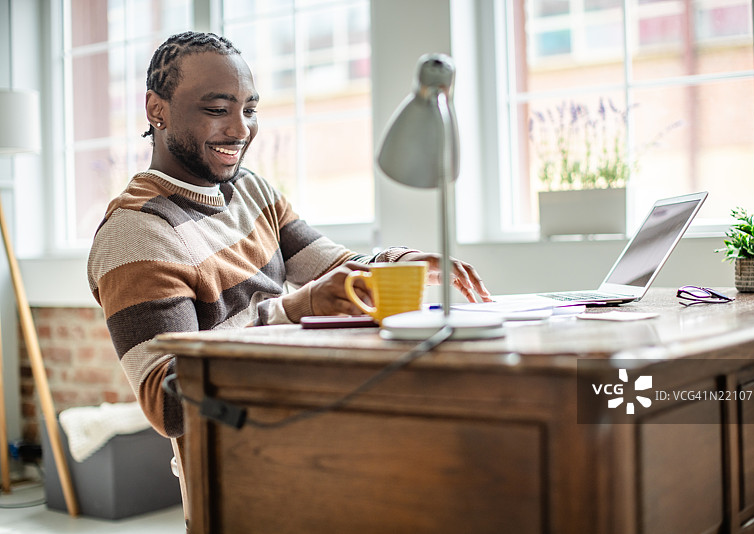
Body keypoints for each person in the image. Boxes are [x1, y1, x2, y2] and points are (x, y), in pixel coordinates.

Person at [86, 29, 490, 500]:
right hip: (235, 467)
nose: (240, 130)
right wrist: (291, 311)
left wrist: (394, 261)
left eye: (249, 109)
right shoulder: (136, 232)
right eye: (218, 110)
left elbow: (330, 266)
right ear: (157, 109)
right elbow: (170, 402)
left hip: (311, 429)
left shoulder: (250, 190)